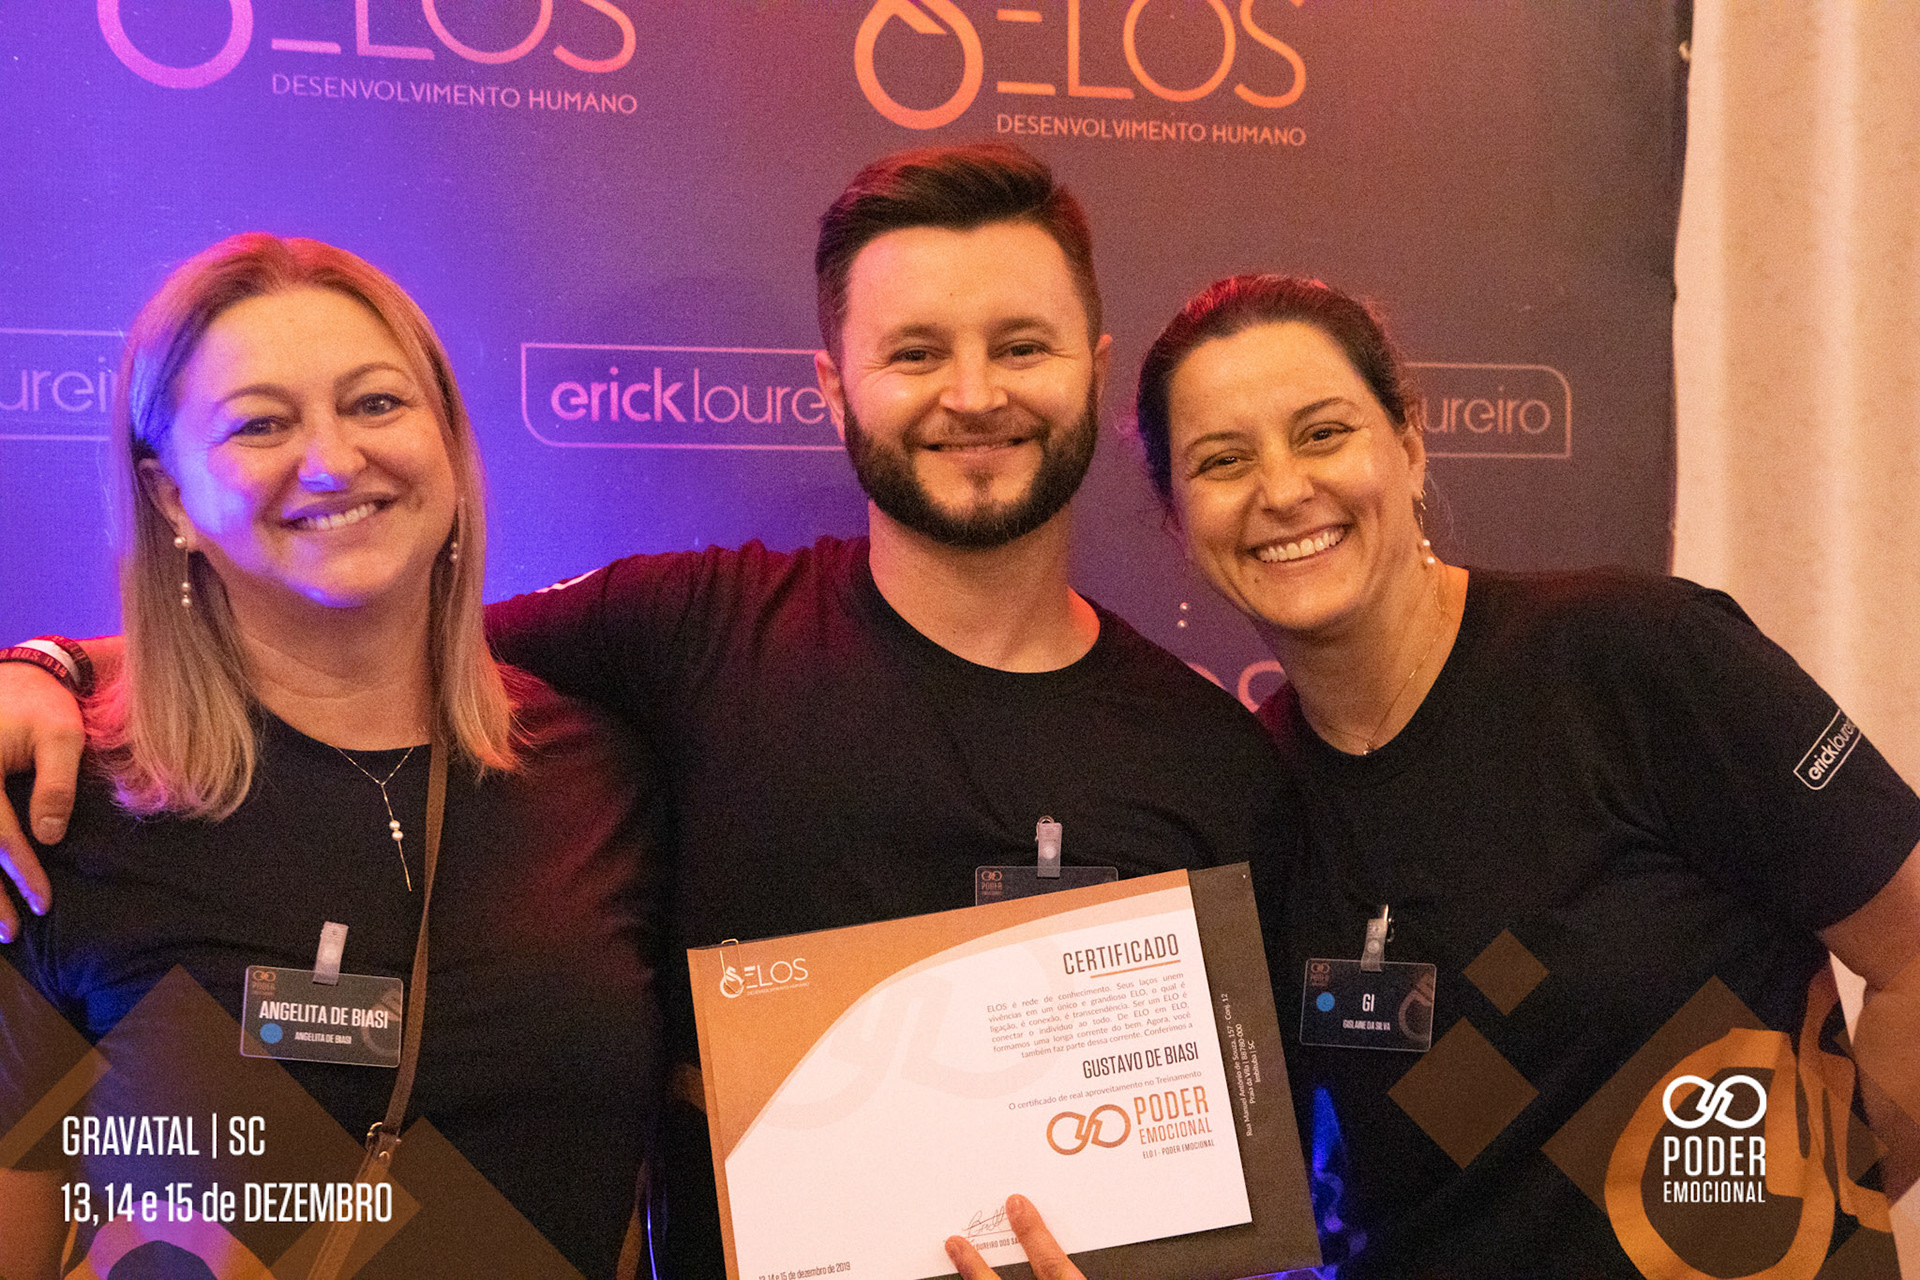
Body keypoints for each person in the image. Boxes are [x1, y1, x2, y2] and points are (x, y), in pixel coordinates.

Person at [0, 147, 1291, 1279]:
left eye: (1020, 345)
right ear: (833, 386)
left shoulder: (1212, 756)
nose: (973, 392)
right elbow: (349, 622)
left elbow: (1249, 1175)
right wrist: (49, 668)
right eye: (914, 352)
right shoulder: (686, 634)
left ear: (1094, 370)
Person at [1123, 273, 1920, 1276]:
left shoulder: (1636, 658)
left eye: (1323, 433)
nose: (1282, 490)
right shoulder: (1245, 796)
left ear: (1410, 444)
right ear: (1176, 518)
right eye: (1223, 460)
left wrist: (1800, 1224)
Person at [0, 235, 659, 1280]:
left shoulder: (598, 774)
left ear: (449, 442)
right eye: (261, 423)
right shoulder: (59, 807)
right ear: (169, 498)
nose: (333, 461)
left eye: (376, 403)